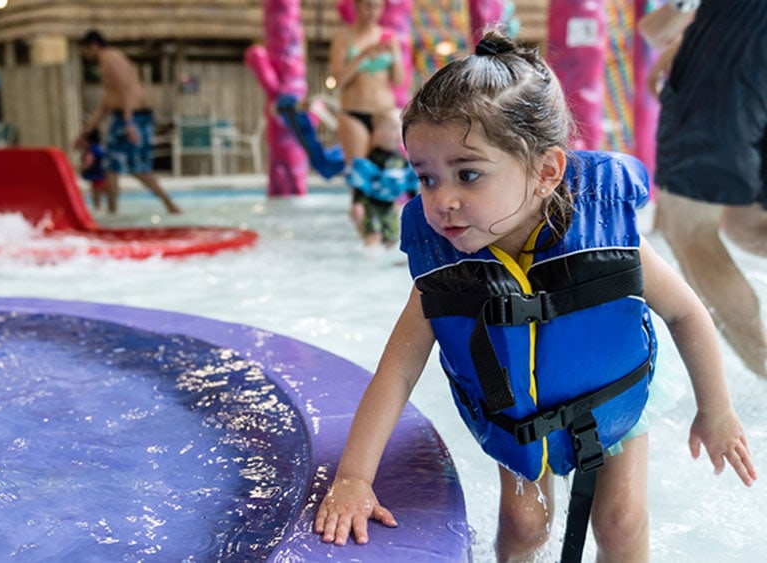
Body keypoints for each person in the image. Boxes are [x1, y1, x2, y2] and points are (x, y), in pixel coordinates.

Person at [313, 30, 757, 561]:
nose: (443, 201)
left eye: (468, 174)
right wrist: (354, 478)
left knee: (621, 519)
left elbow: (686, 312)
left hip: (608, 398)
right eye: (426, 178)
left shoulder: (607, 240)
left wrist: (717, 410)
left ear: (546, 171)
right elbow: (396, 373)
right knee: (524, 525)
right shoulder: (445, 271)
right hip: (518, 408)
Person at [642, 0, 767, 380]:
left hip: (732, 50)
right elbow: (658, 28)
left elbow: (661, 27)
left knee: (688, 227)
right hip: (741, 45)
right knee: (745, 222)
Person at [75, 30, 181, 215]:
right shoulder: (106, 63)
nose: (85, 54)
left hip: (135, 117)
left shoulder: (111, 58)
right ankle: (112, 211)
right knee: (111, 165)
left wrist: (129, 120)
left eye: (85, 49)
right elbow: (105, 104)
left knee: (137, 167)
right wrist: (85, 133)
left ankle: (170, 205)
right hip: (124, 117)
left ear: (93, 46)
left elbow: (127, 86)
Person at [328, 0, 405, 235]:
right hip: (354, 113)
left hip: (383, 113)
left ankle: (387, 233)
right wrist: (362, 56)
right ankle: (366, 234)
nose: (373, 12)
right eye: (368, 6)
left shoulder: (388, 37)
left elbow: (400, 81)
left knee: (387, 172)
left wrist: (395, 55)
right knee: (361, 175)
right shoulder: (344, 37)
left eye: (378, 7)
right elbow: (338, 81)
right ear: (357, 6)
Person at [344, 108, 417, 247]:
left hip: (390, 207)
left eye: (400, 128)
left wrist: (416, 205)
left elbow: (409, 184)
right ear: (377, 132)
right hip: (371, 205)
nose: (398, 133)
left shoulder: (401, 160)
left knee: (392, 239)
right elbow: (362, 183)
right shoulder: (372, 159)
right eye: (393, 128)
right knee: (373, 236)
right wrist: (357, 203)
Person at [79, 128, 109, 210]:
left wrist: (80, 168)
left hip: (97, 177)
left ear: (88, 140)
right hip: (103, 175)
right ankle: (101, 207)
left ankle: (97, 208)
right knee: (103, 194)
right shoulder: (100, 147)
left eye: (83, 140)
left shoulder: (91, 150)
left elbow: (89, 162)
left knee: (96, 196)